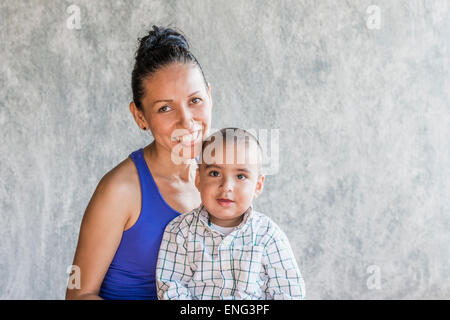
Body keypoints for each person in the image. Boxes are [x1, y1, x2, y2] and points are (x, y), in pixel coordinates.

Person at [65, 25, 213, 300]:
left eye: (195, 100)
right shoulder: (121, 190)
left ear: (209, 95)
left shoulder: (221, 179)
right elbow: (78, 294)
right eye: (165, 108)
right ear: (140, 116)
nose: (186, 121)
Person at [156, 128, 306, 300]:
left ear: (257, 185)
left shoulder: (268, 235)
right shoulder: (180, 232)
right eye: (215, 173)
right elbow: (171, 288)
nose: (227, 186)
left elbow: (288, 291)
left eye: (240, 176)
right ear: (198, 179)